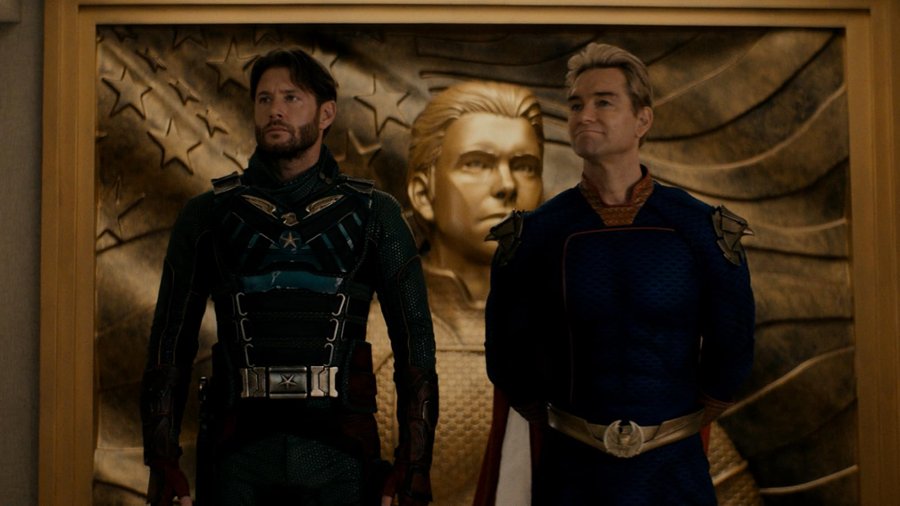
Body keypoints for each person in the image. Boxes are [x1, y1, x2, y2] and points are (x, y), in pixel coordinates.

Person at [139, 47, 438, 506]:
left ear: (326, 113)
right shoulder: (207, 215)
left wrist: (414, 465)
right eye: (264, 99)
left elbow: (415, 345)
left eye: (291, 97)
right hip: (238, 447)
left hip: (341, 448)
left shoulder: (375, 215)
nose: (275, 110)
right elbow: (168, 344)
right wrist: (162, 463)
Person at [484, 42, 755, 505]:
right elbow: (507, 355)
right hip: (571, 474)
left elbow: (732, 347)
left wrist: (671, 426)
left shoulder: (700, 228)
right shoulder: (535, 235)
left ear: (642, 120)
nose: (584, 115)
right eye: (576, 105)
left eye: (603, 102)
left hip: (675, 473)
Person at [370, 80, 544, 506]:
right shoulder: (373, 341)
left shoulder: (578, 335)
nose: (506, 185)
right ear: (423, 193)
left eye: (525, 166)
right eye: (477, 163)